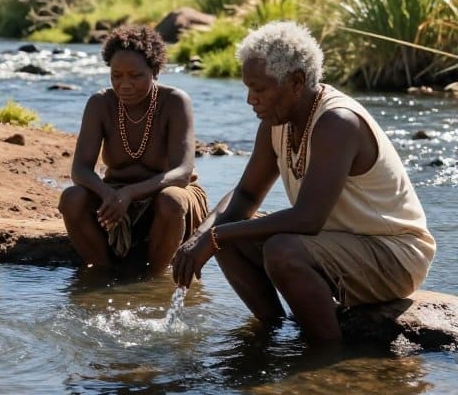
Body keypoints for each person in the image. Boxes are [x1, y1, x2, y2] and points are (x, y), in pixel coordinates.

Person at [172, 21, 436, 341]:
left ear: (296, 82)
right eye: (247, 88)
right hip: (339, 242)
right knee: (230, 234)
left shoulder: (337, 122)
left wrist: (214, 236)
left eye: (260, 89)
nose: (250, 99)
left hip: (395, 255)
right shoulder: (276, 122)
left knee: (281, 249)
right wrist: (203, 234)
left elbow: (308, 219)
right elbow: (245, 193)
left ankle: (325, 355)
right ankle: (277, 330)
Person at [59, 24, 208, 274]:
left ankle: (154, 279)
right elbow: (81, 170)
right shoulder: (100, 104)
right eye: (117, 75)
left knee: (171, 199)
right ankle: (102, 273)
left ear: (156, 71)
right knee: (72, 199)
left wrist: (131, 193)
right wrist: (107, 194)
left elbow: (182, 172)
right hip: (115, 195)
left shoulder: (174, 102)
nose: (125, 85)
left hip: (166, 195)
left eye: (135, 76)